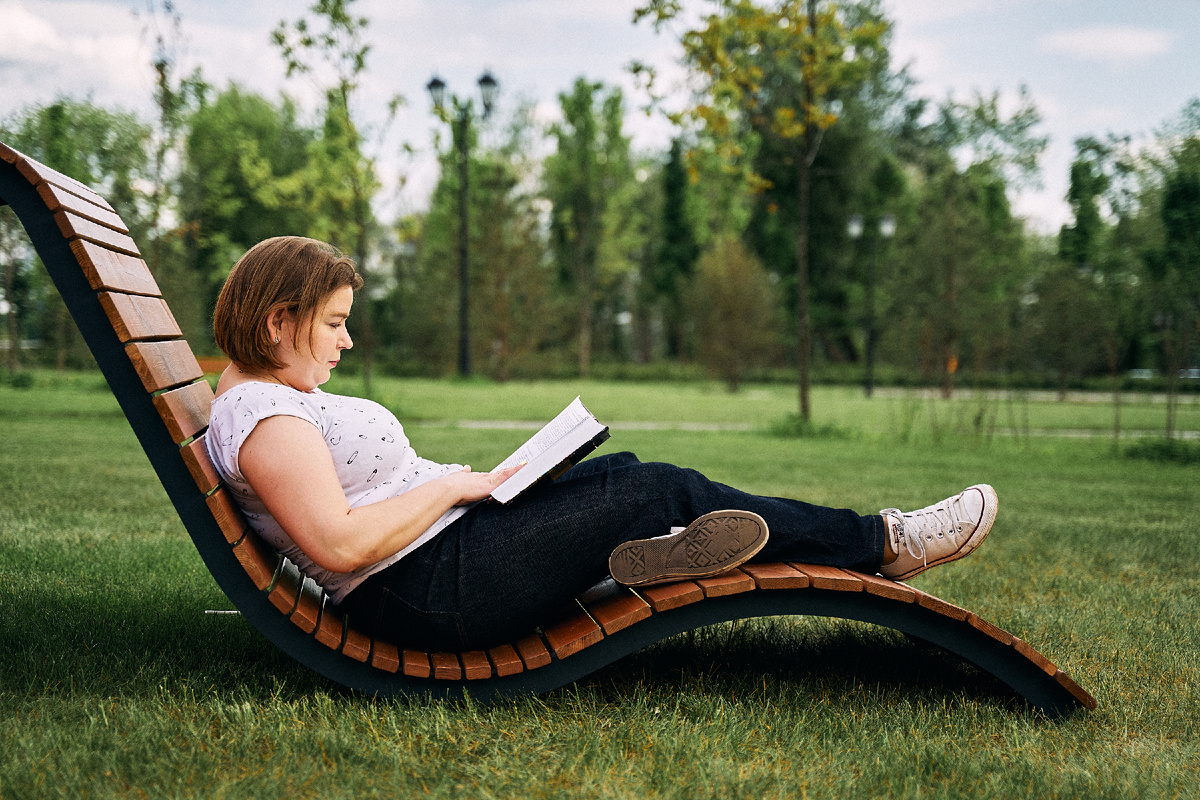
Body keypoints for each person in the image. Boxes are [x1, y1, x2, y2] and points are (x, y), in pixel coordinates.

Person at [206, 237, 998, 653]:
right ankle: (884, 541)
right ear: (279, 321)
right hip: (430, 589)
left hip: (446, 557)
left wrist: (480, 485)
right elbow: (339, 546)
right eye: (335, 323)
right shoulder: (266, 418)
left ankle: (644, 552)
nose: (346, 341)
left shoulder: (272, 397)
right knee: (653, 488)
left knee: (624, 473)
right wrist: (452, 486)